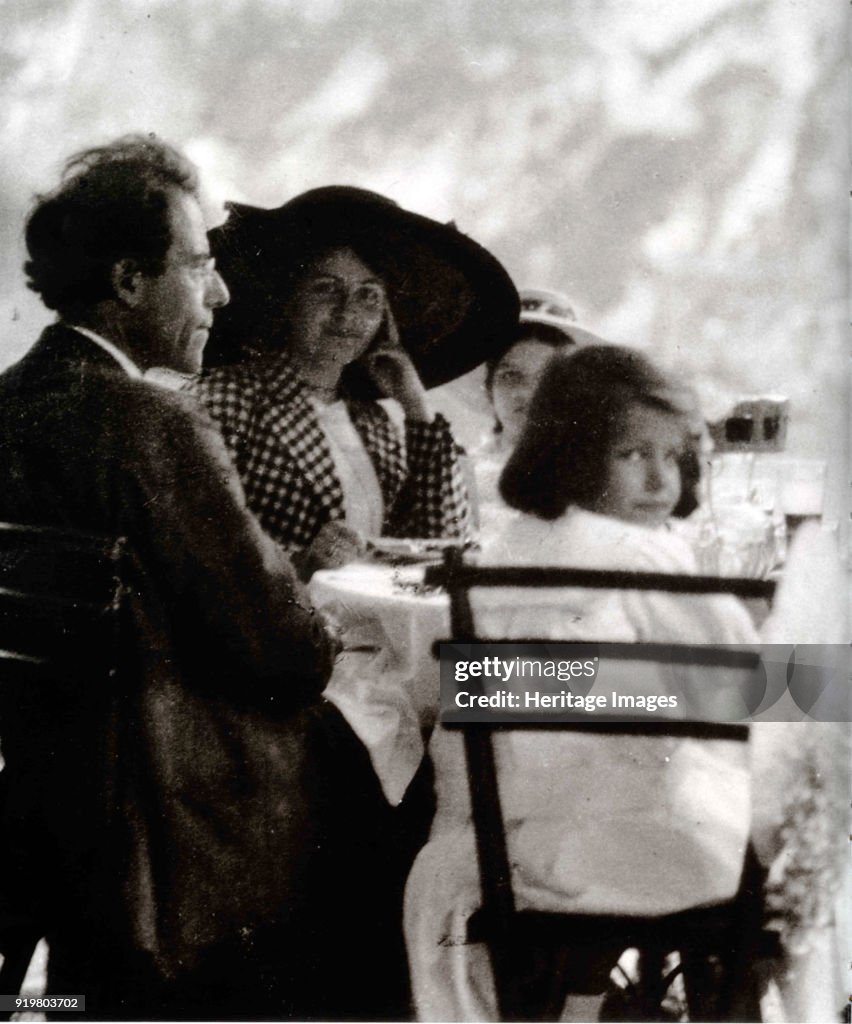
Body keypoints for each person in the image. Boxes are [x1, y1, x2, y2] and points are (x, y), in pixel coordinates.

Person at [0, 135, 343, 1019]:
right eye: (197, 266)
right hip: (173, 837)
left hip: (45, 818)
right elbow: (287, 651)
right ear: (128, 281)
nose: (220, 293)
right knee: (410, 779)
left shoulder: (11, 402)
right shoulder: (152, 425)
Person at [404, 345, 763, 1021]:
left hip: (501, 851)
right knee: (801, 817)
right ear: (573, 451)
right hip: (639, 849)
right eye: (633, 454)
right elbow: (751, 686)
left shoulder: (506, 550)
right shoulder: (640, 554)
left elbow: (468, 689)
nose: (661, 478)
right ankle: (745, 1000)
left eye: (671, 454)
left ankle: (582, 1005)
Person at [193, 186, 519, 577]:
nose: (348, 314)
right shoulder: (226, 399)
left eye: (369, 296)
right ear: (288, 301)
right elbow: (198, 547)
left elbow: (439, 546)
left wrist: (416, 408)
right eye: (327, 289)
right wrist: (301, 563)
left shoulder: (374, 422)